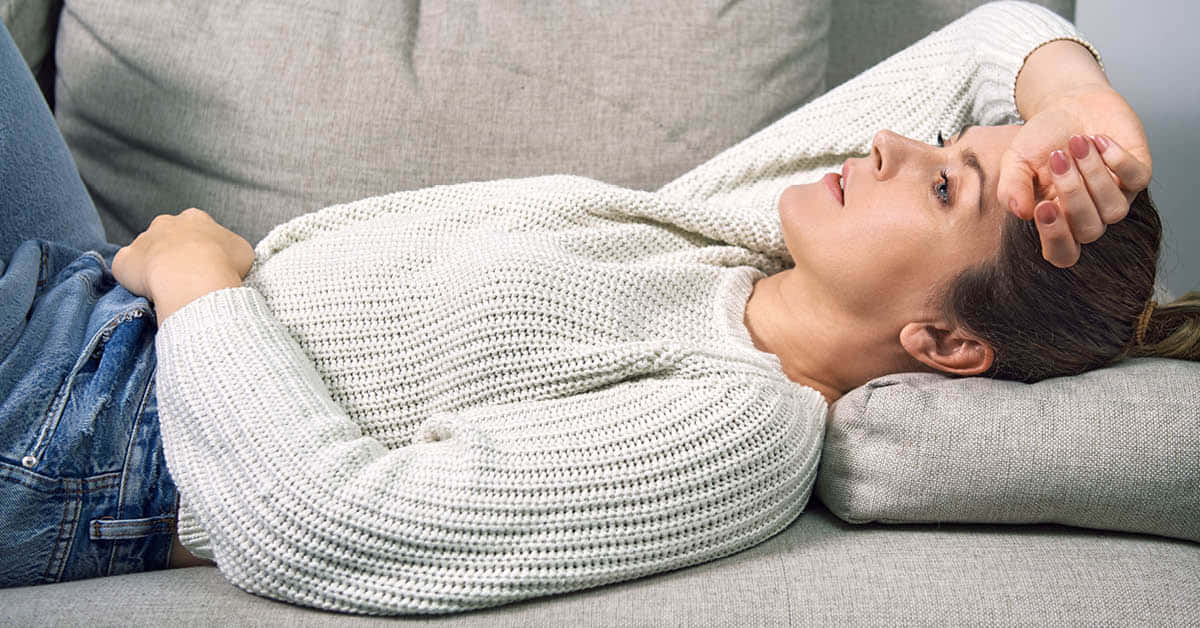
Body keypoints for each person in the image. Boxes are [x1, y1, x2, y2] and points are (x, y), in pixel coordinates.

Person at [1, 0, 1197, 614]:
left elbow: (327, 525)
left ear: (940, 341)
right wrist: (1076, 116)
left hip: (90, 428)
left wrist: (201, 285)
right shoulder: (738, 245)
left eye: (945, 182)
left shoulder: (740, 427)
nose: (885, 141)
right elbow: (998, 37)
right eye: (943, 146)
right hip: (97, 298)